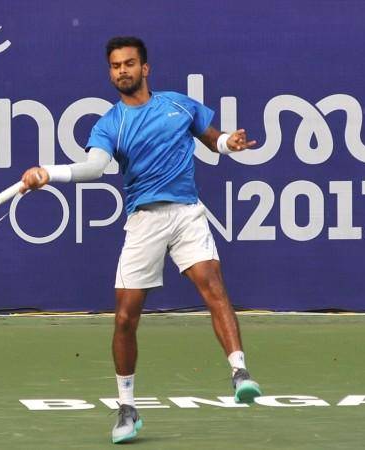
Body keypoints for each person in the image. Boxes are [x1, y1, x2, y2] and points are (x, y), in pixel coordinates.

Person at [20, 36, 261, 444]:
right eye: (115, 66)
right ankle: (127, 407)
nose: (122, 71)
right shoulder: (109, 123)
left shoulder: (179, 105)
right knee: (126, 317)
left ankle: (240, 372)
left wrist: (228, 143)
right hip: (144, 221)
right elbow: (95, 168)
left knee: (213, 285)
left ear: (145, 68)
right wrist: (49, 172)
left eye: (129, 64)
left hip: (186, 212)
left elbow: (213, 139)